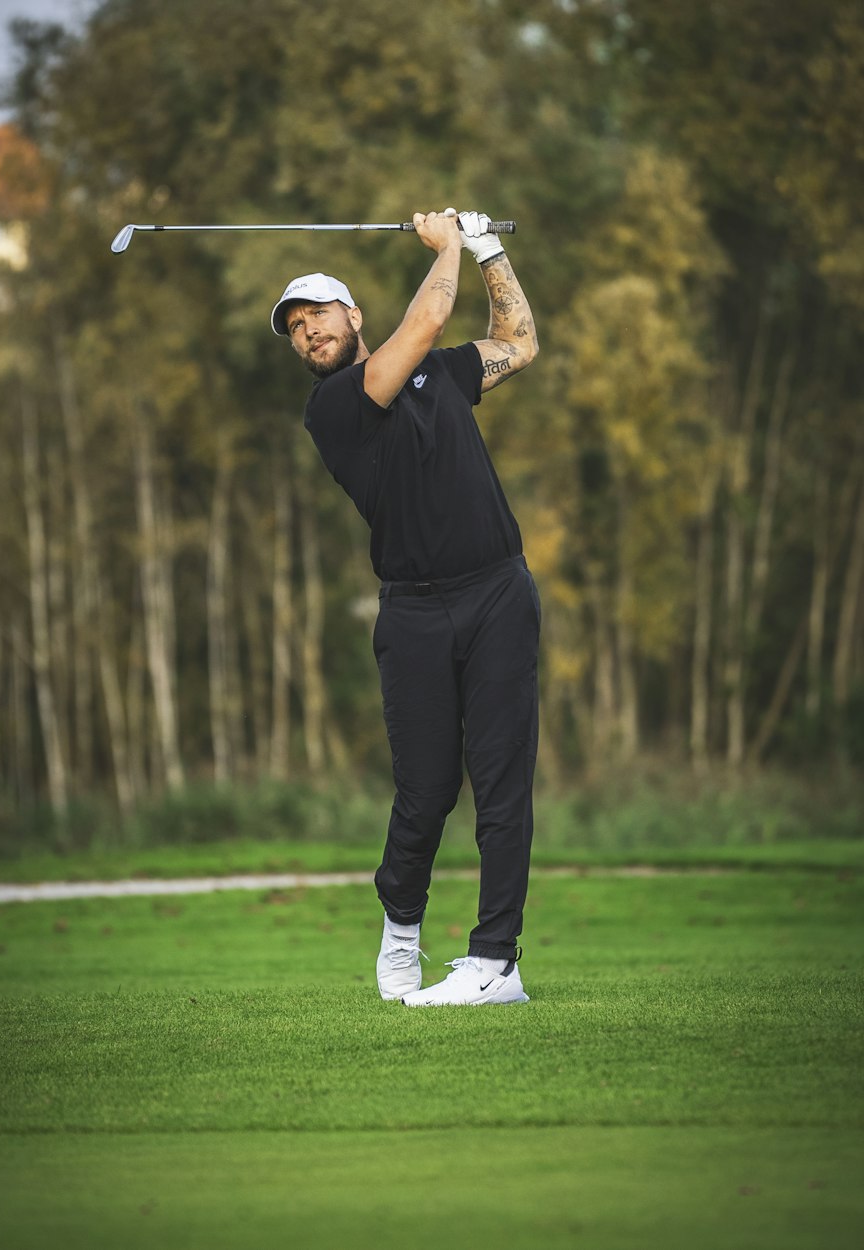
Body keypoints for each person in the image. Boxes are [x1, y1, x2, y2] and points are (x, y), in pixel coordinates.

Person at [270, 209, 541, 1006]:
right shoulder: (337, 407)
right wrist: (450, 241)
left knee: (502, 783)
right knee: (425, 793)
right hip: (415, 614)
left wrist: (489, 249)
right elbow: (425, 317)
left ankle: (496, 962)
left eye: (316, 315)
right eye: (293, 328)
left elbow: (518, 342)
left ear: (351, 315)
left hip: (497, 591)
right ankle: (400, 933)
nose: (307, 332)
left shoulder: (439, 373)